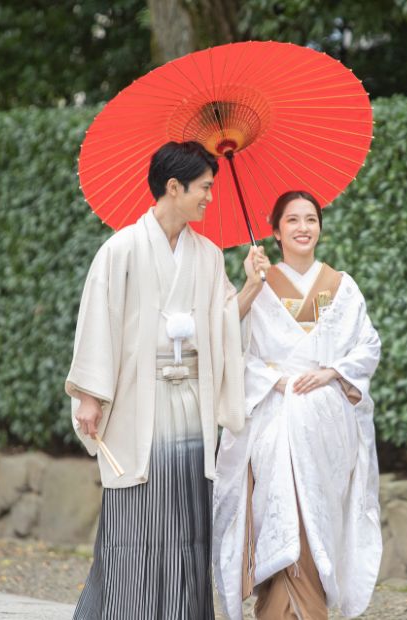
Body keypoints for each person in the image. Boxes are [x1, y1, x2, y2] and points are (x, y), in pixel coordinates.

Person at [65, 141, 269, 619]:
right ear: (173, 187)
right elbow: (99, 323)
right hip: (140, 402)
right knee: (134, 524)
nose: (209, 198)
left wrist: (253, 289)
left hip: (189, 402)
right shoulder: (121, 250)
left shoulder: (208, 255)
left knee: (188, 523)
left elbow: (221, 326)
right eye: (204, 188)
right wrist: (91, 397)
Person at [213, 190, 382, 619]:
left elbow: (368, 347)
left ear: (320, 227)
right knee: (278, 515)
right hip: (274, 421)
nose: (304, 227)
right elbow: (234, 350)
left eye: (311, 219)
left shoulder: (342, 287)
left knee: (320, 517)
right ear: (275, 231)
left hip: (327, 425)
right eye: (293, 220)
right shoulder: (263, 287)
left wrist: (332, 372)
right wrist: (252, 286)